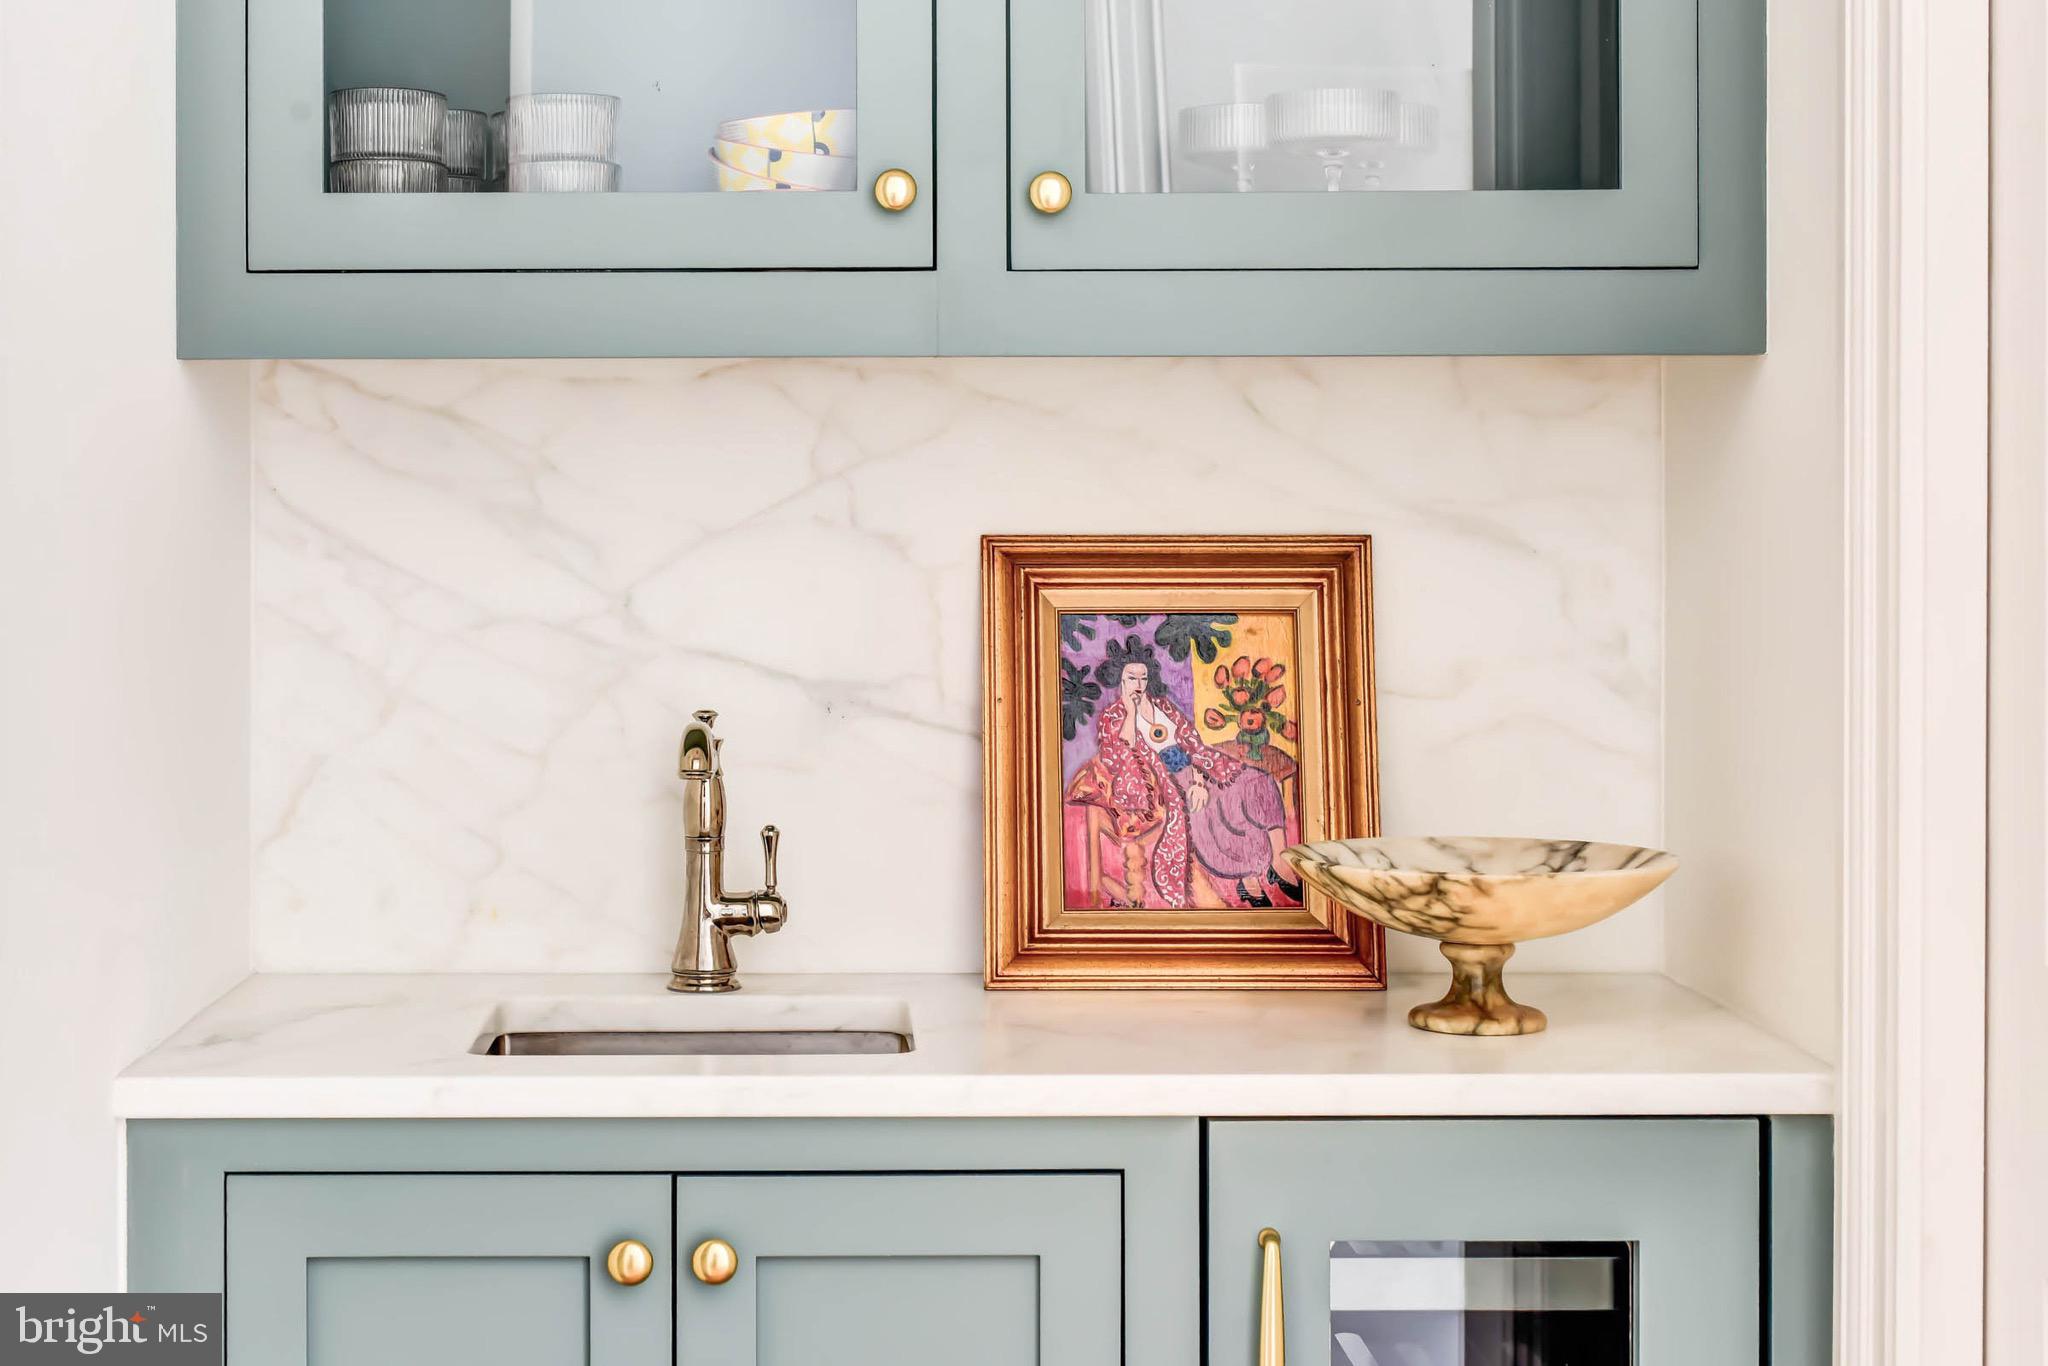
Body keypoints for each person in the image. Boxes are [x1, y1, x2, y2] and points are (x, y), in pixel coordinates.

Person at [1094, 658, 1303, 909]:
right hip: (1162, 780)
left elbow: (1192, 744)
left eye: (1142, 677)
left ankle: (1279, 862)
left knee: (1255, 780)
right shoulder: (1113, 715)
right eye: (1131, 678)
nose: (1138, 684)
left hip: (1196, 768)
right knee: (1216, 806)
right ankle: (1248, 880)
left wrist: (1199, 781)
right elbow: (1119, 753)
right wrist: (1130, 709)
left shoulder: (1164, 707)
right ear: (1121, 680)